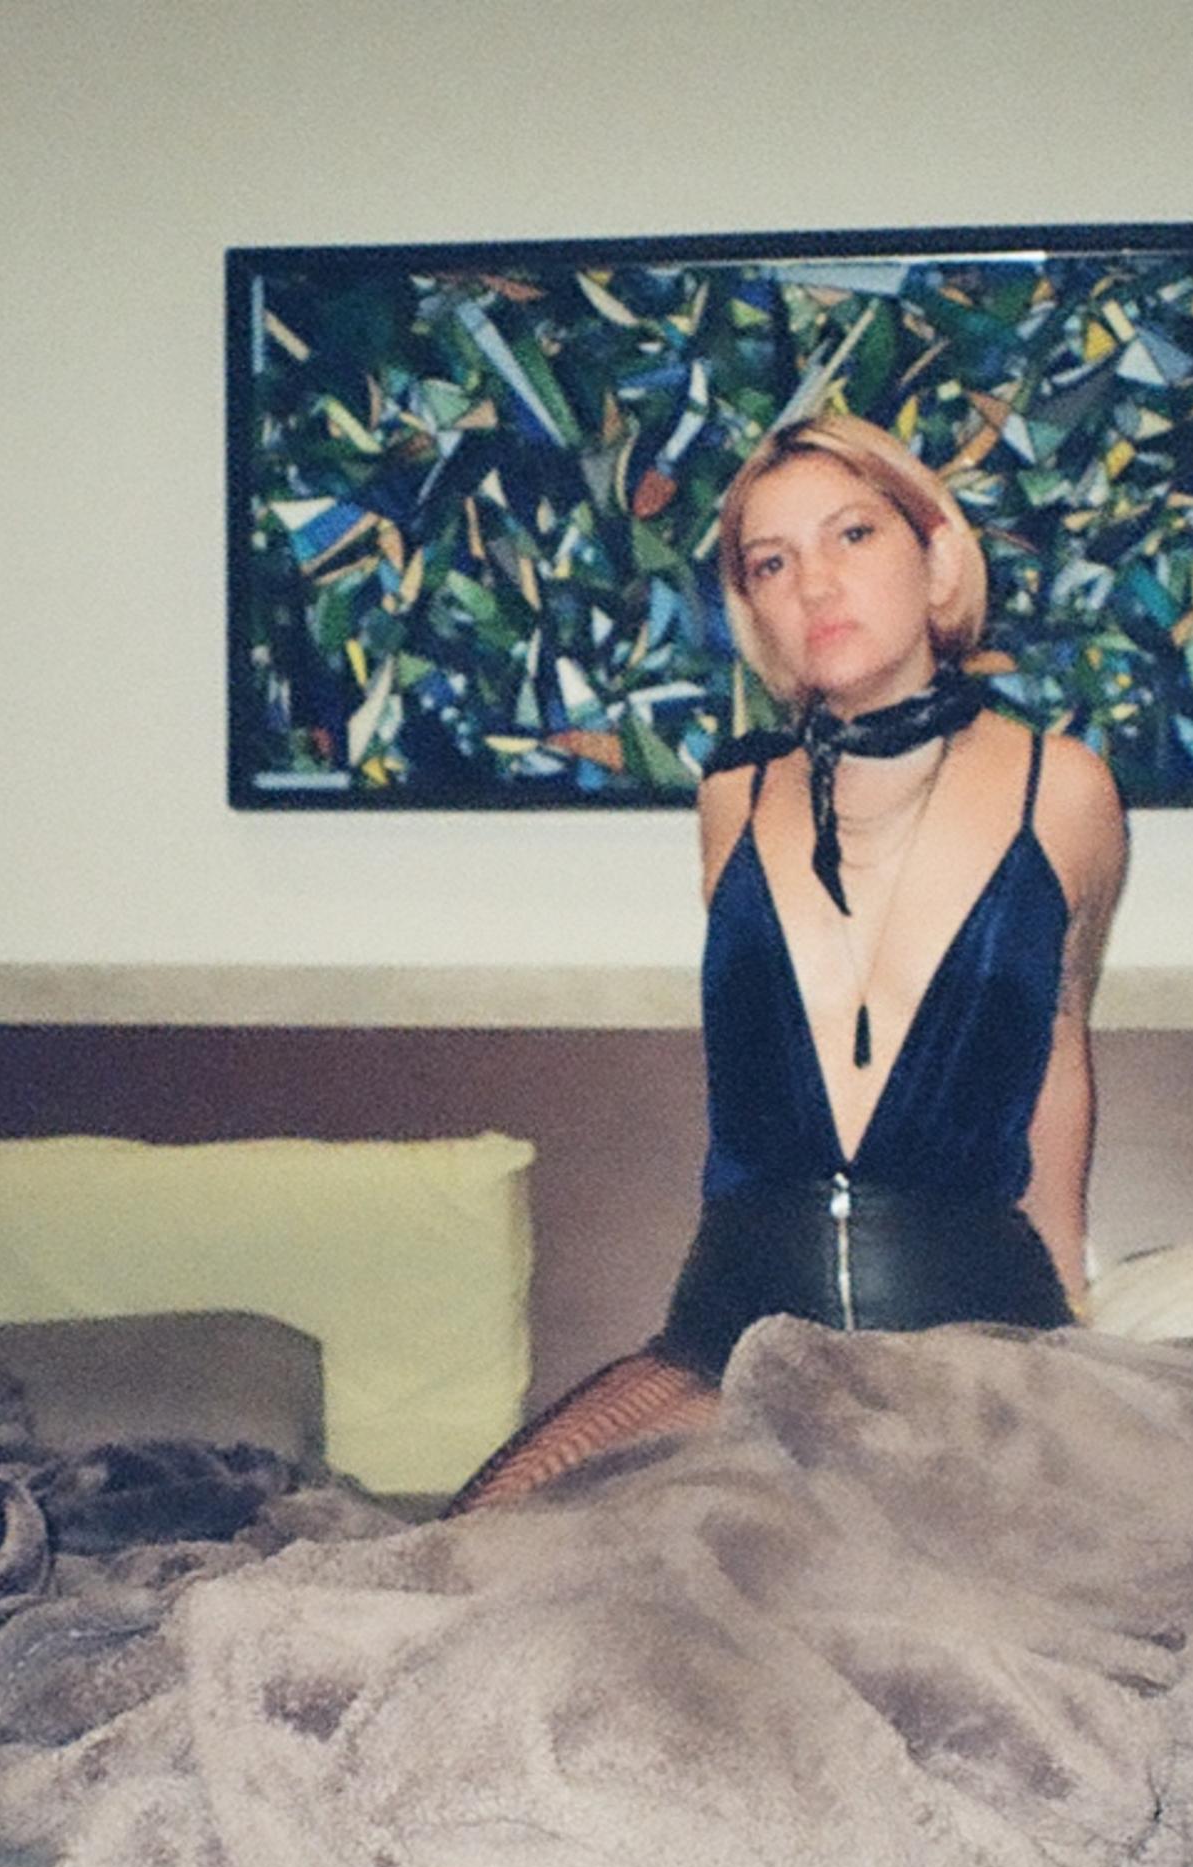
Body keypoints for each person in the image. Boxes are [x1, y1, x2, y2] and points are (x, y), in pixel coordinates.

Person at [447, 413, 1129, 1512]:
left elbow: (1057, 1043)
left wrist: (1074, 1315)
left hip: (977, 1346)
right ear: (754, 609)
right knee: (467, 1555)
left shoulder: (1067, 791)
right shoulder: (732, 799)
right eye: (772, 563)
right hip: (728, 1341)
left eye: (852, 535)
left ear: (936, 558)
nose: (815, 582)